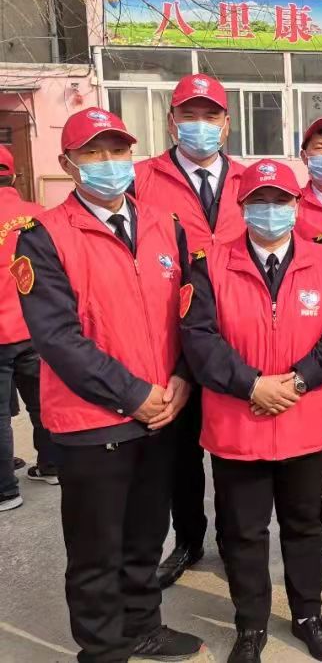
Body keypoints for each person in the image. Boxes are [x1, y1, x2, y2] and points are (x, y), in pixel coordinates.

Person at [15, 107, 203, 662]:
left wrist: (182, 376)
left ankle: (143, 626)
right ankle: (102, 649)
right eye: (93, 152)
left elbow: (188, 313)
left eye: (118, 150)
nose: (109, 162)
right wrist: (133, 394)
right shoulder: (44, 237)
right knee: (97, 548)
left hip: (162, 411)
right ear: (68, 162)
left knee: (146, 534)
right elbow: (57, 338)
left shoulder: (164, 225)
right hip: (93, 421)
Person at [181, 159, 322, 663]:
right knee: (243, 530)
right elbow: (198, 338)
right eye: (258, 201)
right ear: (241, 207)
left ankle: (307, 614)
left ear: (297, 206)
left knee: (304, 523)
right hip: (239, 424)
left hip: (306, 421)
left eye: (280, 200)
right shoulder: (209, 263)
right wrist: (251, 385)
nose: (270, 210)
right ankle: (251, 624)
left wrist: (299, 380)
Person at [134, 73, 246, 590]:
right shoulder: (141, 179)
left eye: (210, 116)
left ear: (226, 124)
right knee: (180, 452)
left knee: (233, 450)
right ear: (172, 121)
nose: (199, 125)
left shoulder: (248, 182)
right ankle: (188, 539)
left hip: (237, 341)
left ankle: (235, 540)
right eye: (189, 115)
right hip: (170, 340)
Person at [0, 145, 55, 512]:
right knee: (41, 401)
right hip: (34, 327)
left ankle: (5, 490)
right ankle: (52, 466)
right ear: (14, 176)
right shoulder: (39, 214)